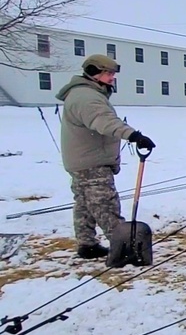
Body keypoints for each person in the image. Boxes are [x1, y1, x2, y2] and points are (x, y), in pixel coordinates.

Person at [56, 54, 156, 259]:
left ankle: (87, 244)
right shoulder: (87, 97)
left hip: (82, 160)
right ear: (93, 73)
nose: (112, 78)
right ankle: (124, 248)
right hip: (92, 162)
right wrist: (134, 135)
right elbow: (104, 121)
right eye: (108, 73)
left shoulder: (83, 93)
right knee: (105, 204)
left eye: (113, 74)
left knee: (84, 203)